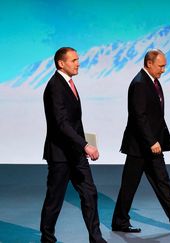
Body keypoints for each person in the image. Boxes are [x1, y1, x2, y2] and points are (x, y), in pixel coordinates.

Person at [111, 49, 170, 233]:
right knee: (129, 186)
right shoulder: (139, 83)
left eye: (165, 66)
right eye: (161, 66)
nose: (164, 70)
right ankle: (119, 221)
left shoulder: (152, 82)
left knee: (163, 181)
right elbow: (139, 116)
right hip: (140, 146)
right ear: (149, 63)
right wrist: (152, 141)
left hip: (151, 146)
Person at [41, 47, 106, 243]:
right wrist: (85, 145)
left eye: (78, 59)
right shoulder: (54, 86)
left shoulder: (68, 84)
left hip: (76, 153)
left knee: (90, 194)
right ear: (61, 63)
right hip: (60, 155)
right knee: (55, 199)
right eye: (74, 60)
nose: (78, 63)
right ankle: (47, 239)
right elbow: (61, 124)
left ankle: (96, 239)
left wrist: (82, 144)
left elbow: (74, 121)